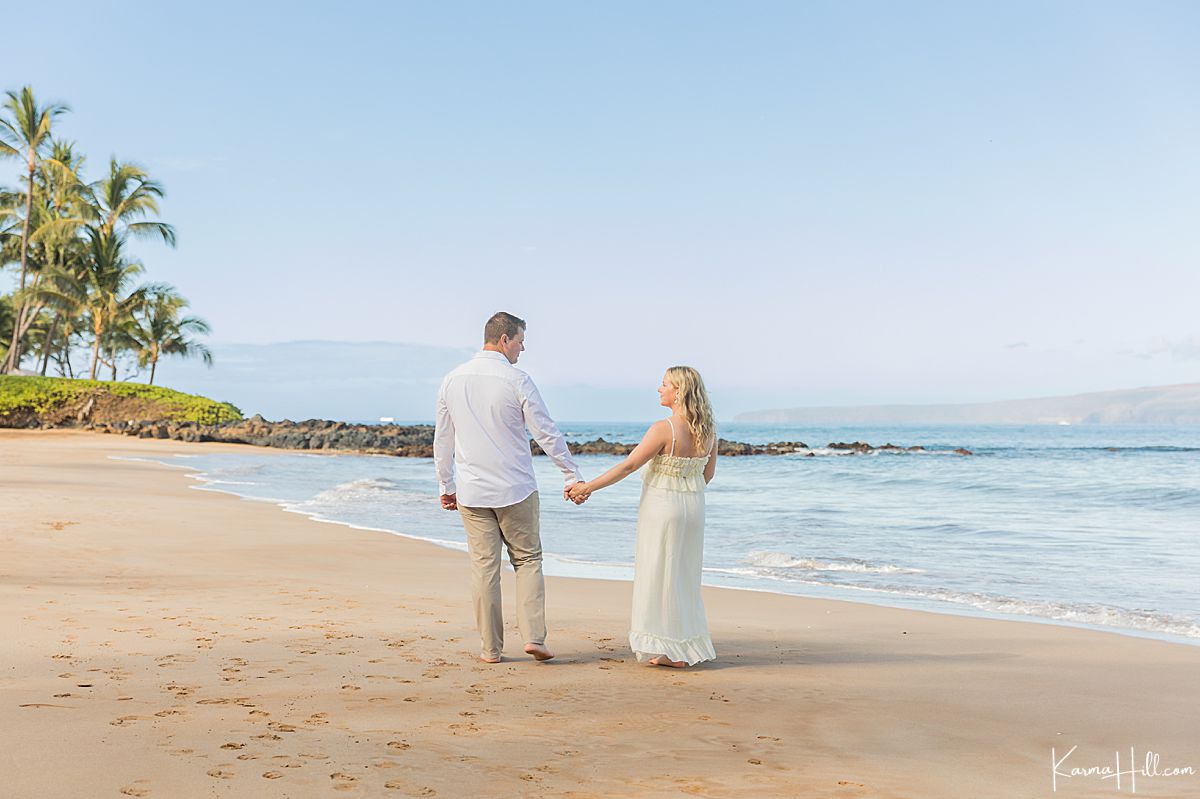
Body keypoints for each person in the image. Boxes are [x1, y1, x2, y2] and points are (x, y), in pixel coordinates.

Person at [434, 311, 586, 664]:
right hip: (516, 487)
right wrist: (571, 474)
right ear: (504, 339)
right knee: (528, 560)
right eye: (519, 341)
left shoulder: (452, 380)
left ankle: (490, 649)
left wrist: (446, 483)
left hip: (472, 492)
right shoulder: (517, 379)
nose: (522, 348)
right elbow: (545, 432)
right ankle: (534, 637)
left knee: (484, 568)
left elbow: (443, 439)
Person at [568, 366, 718, 667]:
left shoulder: (664, 428)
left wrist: (588, 487)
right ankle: (681, 648)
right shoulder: (709, 430)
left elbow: (628, 466)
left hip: (663, 508)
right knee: (684, 577)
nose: (659, 389)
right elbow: (707, 476)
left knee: (658, 574)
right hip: (693, 509)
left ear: (678, 392)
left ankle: (668, 649)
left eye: (664, 385)